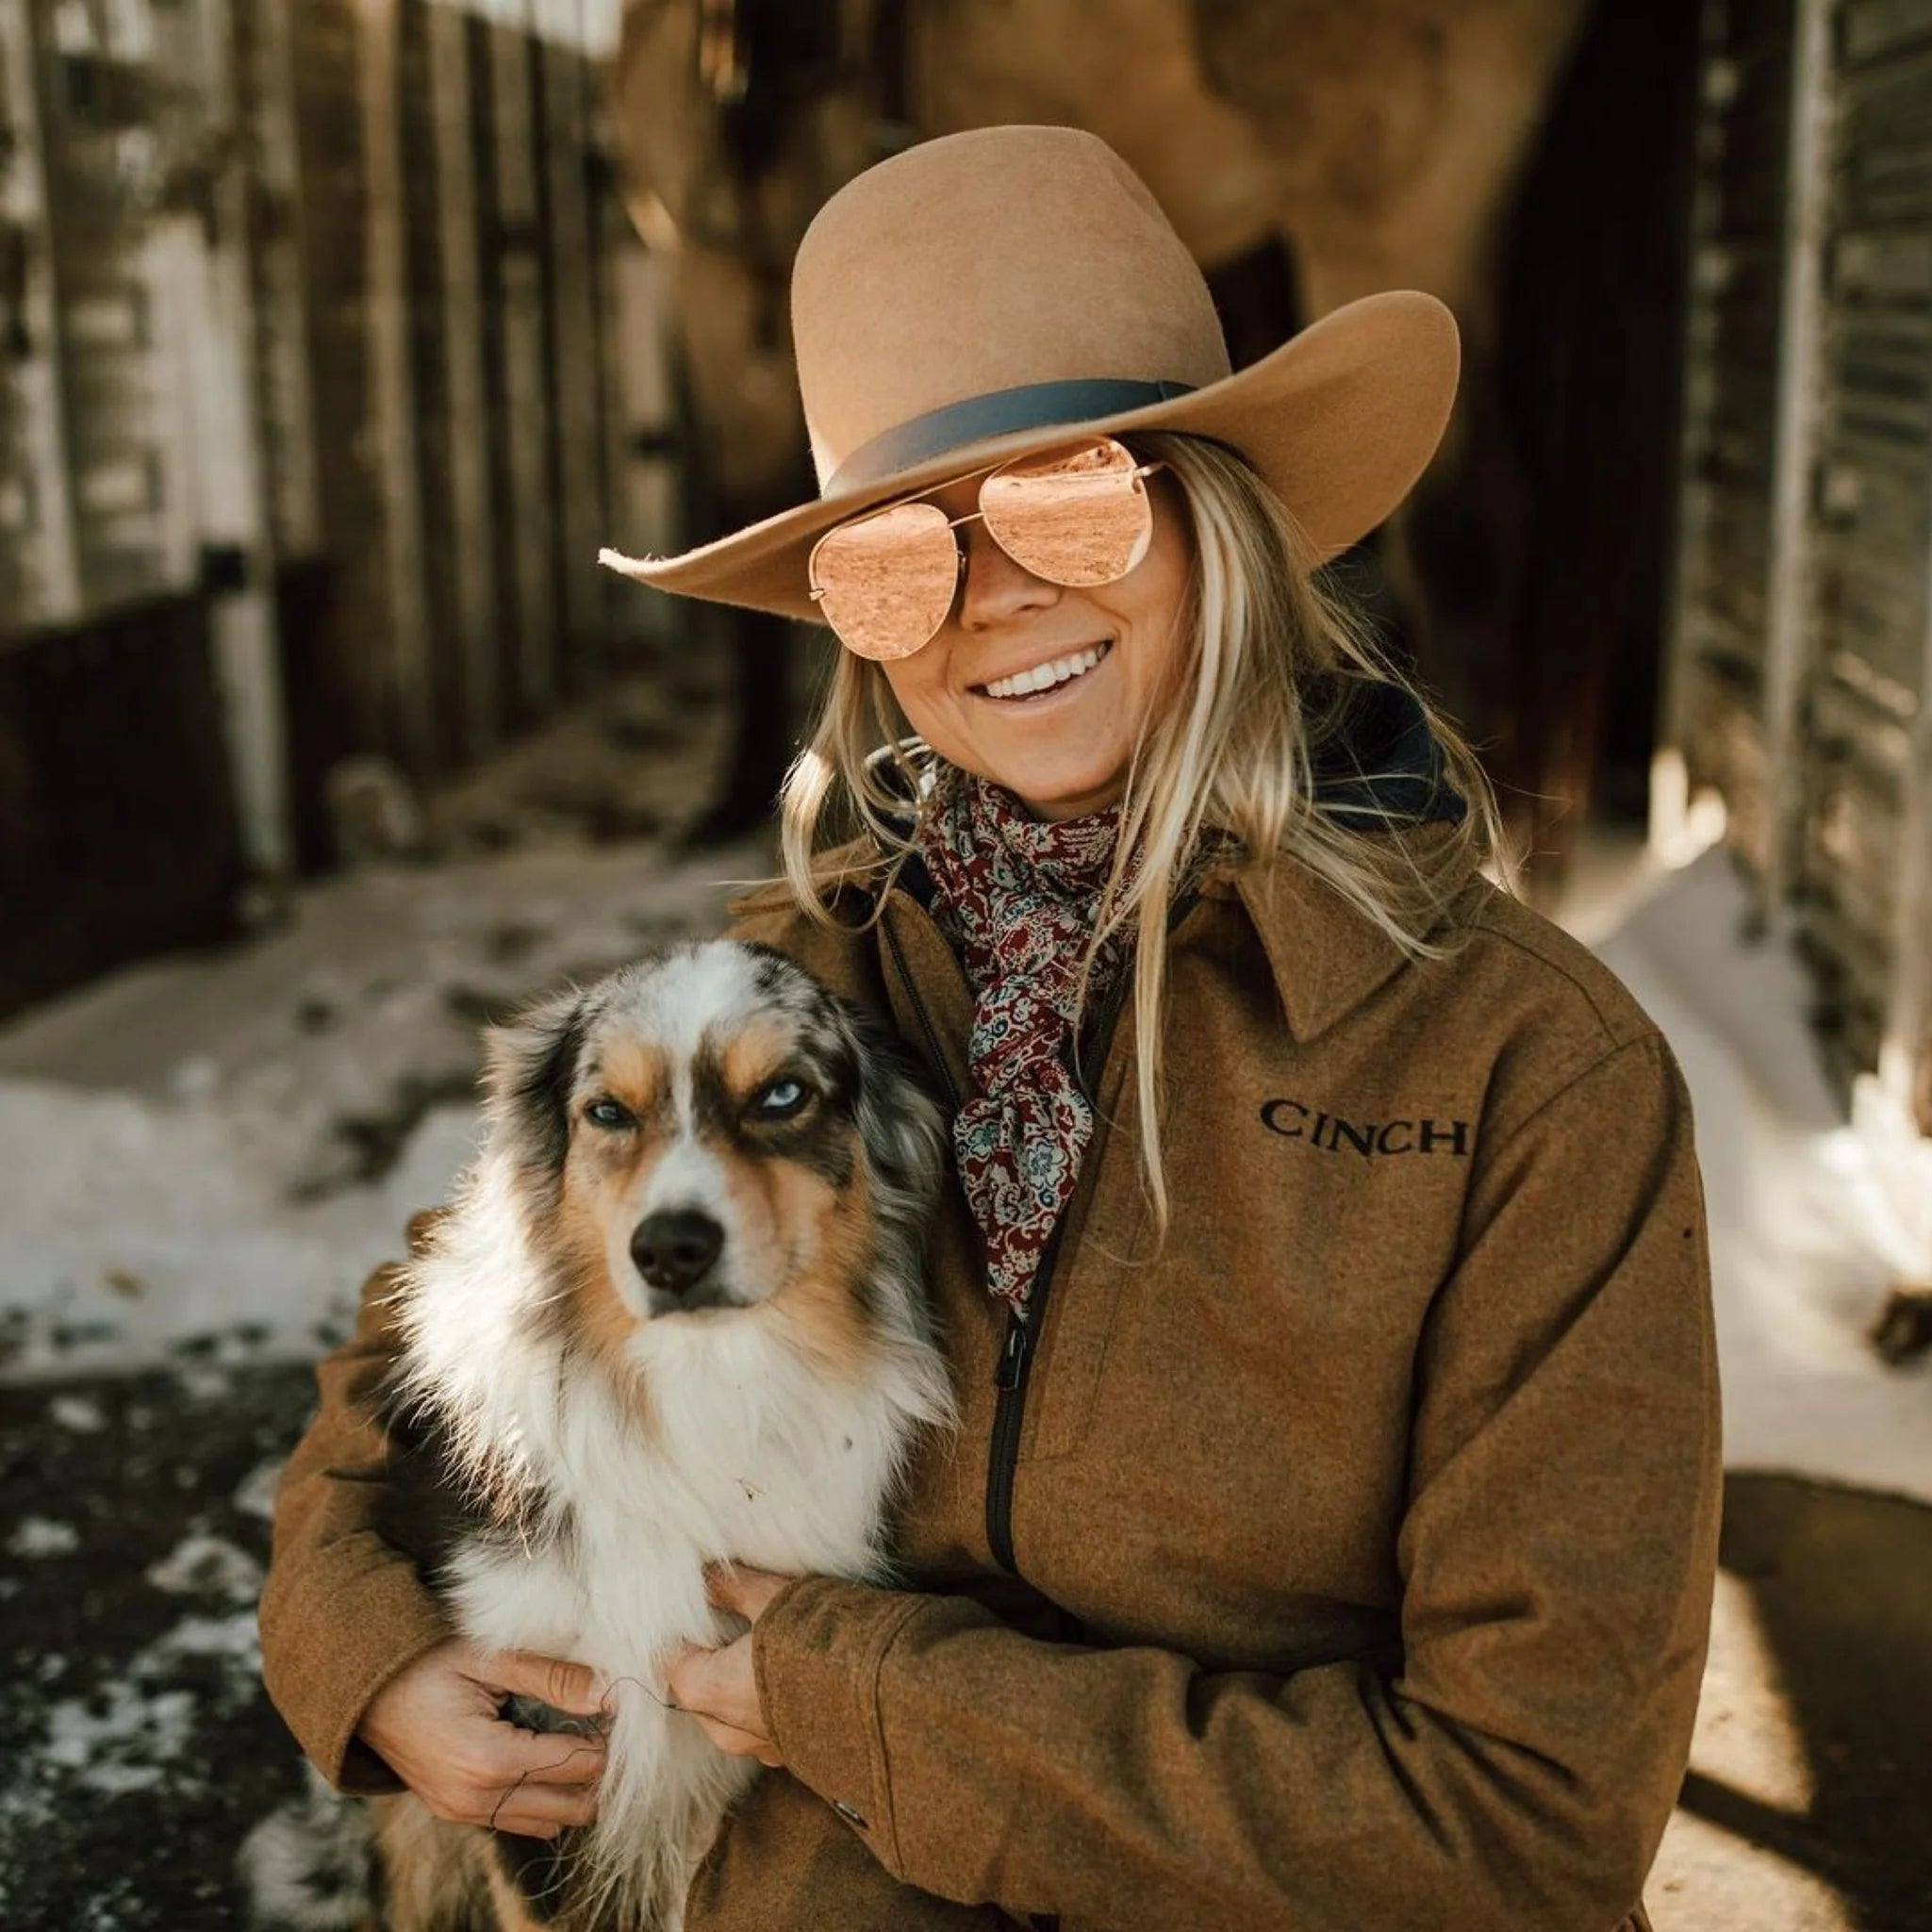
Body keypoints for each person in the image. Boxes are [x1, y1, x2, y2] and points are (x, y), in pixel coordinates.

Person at [260, 125, 1721, 1932]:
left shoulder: (1519, 1072)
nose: (997, 598)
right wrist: (367, 1648)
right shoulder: (820, 982)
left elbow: (1524, 1822)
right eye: (897, 560)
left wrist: (867, 1699)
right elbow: (435, 1316)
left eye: (1068, 506)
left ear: (1216, 514)